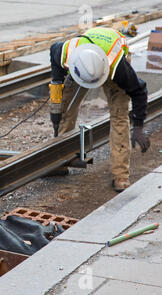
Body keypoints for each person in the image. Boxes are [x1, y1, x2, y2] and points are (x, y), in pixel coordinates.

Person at [48, 27, 150, 192]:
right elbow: (56, 74)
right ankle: (59, 161)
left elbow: (139, 91)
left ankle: (120, 177)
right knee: (65, 110)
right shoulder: (64, 53)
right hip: (81, 65)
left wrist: (138, 127)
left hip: (109, 65)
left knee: (119, 117)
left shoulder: (118, 67)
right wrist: (57, 101)